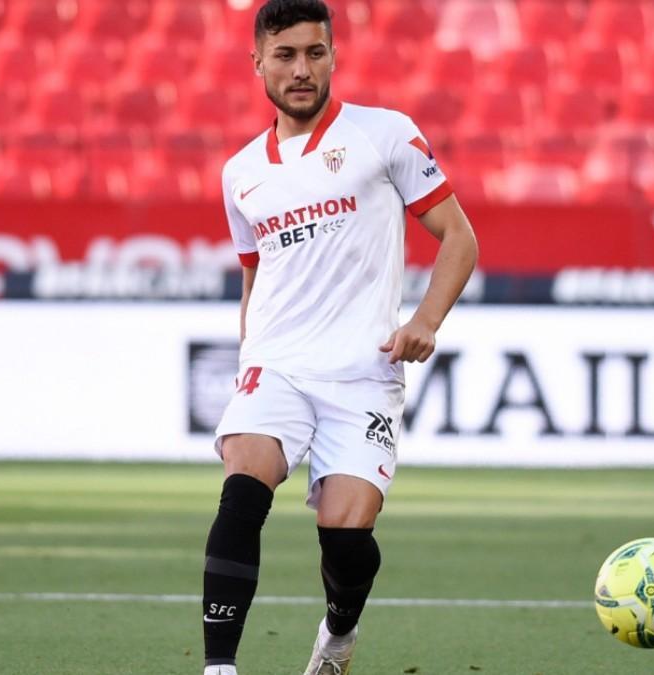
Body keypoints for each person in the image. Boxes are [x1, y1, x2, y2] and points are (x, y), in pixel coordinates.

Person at [200, 1, 478, 673]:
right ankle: (219, 666)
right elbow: (255, 276)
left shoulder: (384, 135)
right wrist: (249, 357)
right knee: (244, 487)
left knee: (346, 539)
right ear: (258, 62)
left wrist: (425, 321)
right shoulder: (242, 173)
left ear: (333, 55)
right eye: (287, 54)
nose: (302, 69)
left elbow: (459, 239)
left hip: (363, 372)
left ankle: (339, 634)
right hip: (279, 365)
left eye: (315, 53)